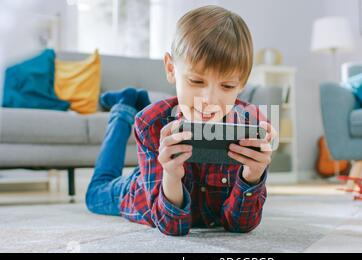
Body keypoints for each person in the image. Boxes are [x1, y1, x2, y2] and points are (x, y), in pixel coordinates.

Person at [85, 5, 277, 236]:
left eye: (227, 86)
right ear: (170, 68)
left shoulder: (251, 127)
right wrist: (171, 176)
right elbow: (171, 226)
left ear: (242, 83)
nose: (210, 100)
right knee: (95, 193)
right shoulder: (151, 124)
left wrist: (253, 175)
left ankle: (131, 101)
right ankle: (122, 109)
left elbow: (240, 225)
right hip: (144, 191)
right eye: (196, 81)